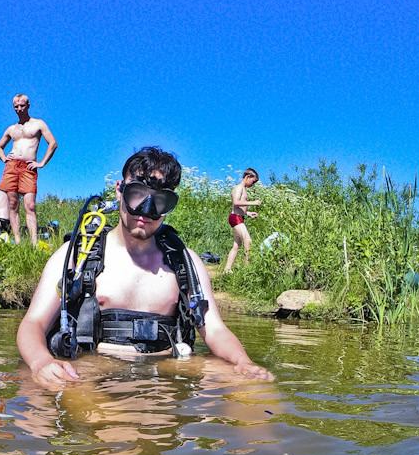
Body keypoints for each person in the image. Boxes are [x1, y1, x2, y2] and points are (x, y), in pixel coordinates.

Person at [17, 147, 274, 387]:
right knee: (46, 393)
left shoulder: (184, 262)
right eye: (137, 195)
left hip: (170, 369)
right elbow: (34, 323)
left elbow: (215, 329)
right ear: (119, 190)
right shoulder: (78, 254)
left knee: (254, 388)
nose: (146, 211)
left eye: (159, 201)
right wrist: (42, 363)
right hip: (93, 369)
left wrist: (244, 363)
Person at [0, 94, 58, 246]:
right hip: (12, 166)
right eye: (16, 106)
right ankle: (17, 240)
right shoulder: (12, 128)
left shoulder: (38, 124)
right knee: (12, 203)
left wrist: (42, 162)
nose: (19, 109)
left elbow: (53, 143)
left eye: (22, 106)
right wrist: (5, 158)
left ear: (28, 105)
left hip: (28, 167)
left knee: (30, 205)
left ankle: (34, 243)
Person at [225, 168, 261, 273]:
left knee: (236, 245)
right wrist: (253, 203)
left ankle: (227, 269)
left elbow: (240, 207)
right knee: (248, 241)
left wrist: (248, 213)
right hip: (235, 218)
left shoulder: (243, 189)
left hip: (239, 217)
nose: (252, 184)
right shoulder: (239, 188)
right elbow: (236, 202)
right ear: (247, 177)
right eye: (253, 181)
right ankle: (247, 269)